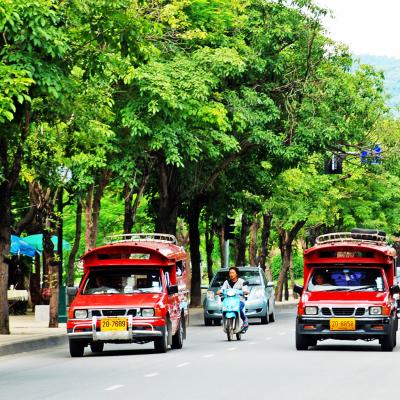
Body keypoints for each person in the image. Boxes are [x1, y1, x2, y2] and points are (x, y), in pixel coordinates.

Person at [217, 267, 249, 331]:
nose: (231, 274)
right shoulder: (226, 282)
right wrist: (219, 292)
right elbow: (222, 289)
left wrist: (245, 292)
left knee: (239, 308)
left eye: (233, 273)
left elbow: (245, 290)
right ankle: (224, 321)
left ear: (236, 274)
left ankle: (245, 319)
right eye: (230, 273)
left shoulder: (241, 281)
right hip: (228, 300)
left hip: (239, 300)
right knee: (223, 308)